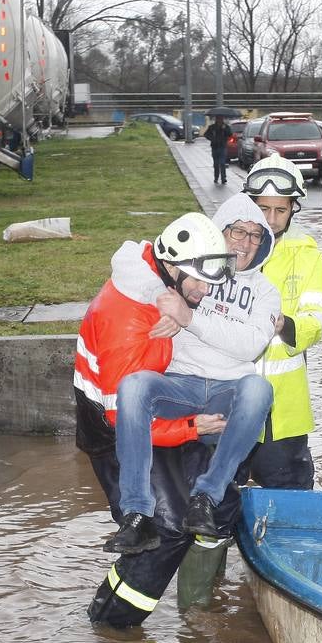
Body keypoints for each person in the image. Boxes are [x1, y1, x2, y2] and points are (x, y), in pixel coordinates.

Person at [113, 194, 278, 545]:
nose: (246, 243)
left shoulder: (266, 292)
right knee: (134, 386)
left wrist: (189, 318)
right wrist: (162, 298)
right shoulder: (192, 262)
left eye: (255, 235)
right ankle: (135, 512)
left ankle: (207, 496)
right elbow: (128, 257)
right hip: (179, 385)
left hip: (228, 391)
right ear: (220, 230)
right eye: (237, 231)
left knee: (259, 389)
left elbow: (251, 344)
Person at [74, 212, 237, 554]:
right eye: (197, 281)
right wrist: (192, 427)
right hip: (114, 434)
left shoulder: (156, 280)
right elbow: (126, 419)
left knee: (200, 512)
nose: (204, 291)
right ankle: (113, 608)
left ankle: (192, 599)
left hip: (153, 413)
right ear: (171, 265)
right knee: (162, 533)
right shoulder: (128, 320)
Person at [241, 154, 322, 489]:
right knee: (215, 505)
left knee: (292, 504)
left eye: (280, 210)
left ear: (294, 209)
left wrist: (286, 325)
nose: (271, 218)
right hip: (229, 403)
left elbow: (317, 318)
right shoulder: (226, 249)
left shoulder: (307, 255)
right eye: (263, 209)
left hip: (283, 412)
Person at [202, 116, 232, 185]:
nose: (219, 120)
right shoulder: (212, 127)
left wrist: (225, 129)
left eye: (221, 119)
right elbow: (206, 134)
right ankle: (216, 177)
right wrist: (212, 139)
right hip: (214, 147)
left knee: (222, 163)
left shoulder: (226, 127)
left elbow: (230, 134)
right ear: (216, 119)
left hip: (222, 147)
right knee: (216, 164)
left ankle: (223, 178)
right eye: (218, 119)